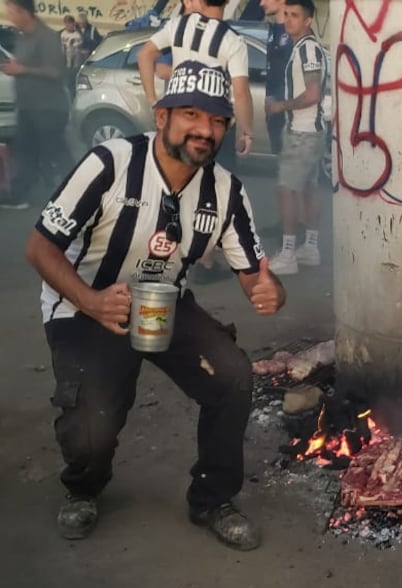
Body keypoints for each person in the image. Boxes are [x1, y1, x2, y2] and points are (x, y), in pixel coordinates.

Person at [24, 60, 286, 551]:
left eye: (217, 120)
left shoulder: (225, 191)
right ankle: (83, 487)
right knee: (92, 427)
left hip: (164, 303)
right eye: (191, 114)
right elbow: (40, 247)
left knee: (232, 375)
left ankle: (212, 499)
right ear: (161, 115)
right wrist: (92, 301)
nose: (205, 130)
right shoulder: (110, 164)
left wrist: (270, 290)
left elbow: (256, 276)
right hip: (82, 303)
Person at [137, 0, 255, 168]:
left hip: (179, 118)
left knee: (175, 173)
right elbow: (241, 93)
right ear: (228, 1)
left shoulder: (177, 25)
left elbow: (144, 55)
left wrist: (153, 102)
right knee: (216, 178)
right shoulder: (233, 40)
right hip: (214, 123)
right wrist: (246, 132)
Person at [265, 0, 328, 275]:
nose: (289, 20)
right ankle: (310, 248)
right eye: (287, 14)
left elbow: (313, 94)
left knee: (286, 190)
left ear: (308, 20)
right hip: (311, 131)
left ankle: (288, 253)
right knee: (308, 188)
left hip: (302, 132)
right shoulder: (305, 47)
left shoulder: (307, 49)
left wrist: (281, 106)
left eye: (295, 16)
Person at [0, 0, 72, 209]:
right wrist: (12, 68)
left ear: (24, 12)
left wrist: (22, 70)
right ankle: (19, 196)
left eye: (12, 12)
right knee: (25, 152)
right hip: (27, 107)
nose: (10, 16)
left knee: (57, 153)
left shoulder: (47, 36)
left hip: (48, 108)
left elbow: (56, 71)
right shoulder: (22, 37)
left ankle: (83, 192)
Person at [261, 0, 294, 156]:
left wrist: (277, 101)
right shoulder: (269, 31)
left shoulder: (295, 33)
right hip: (270, 110)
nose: (261, 3)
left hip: (285, 112)